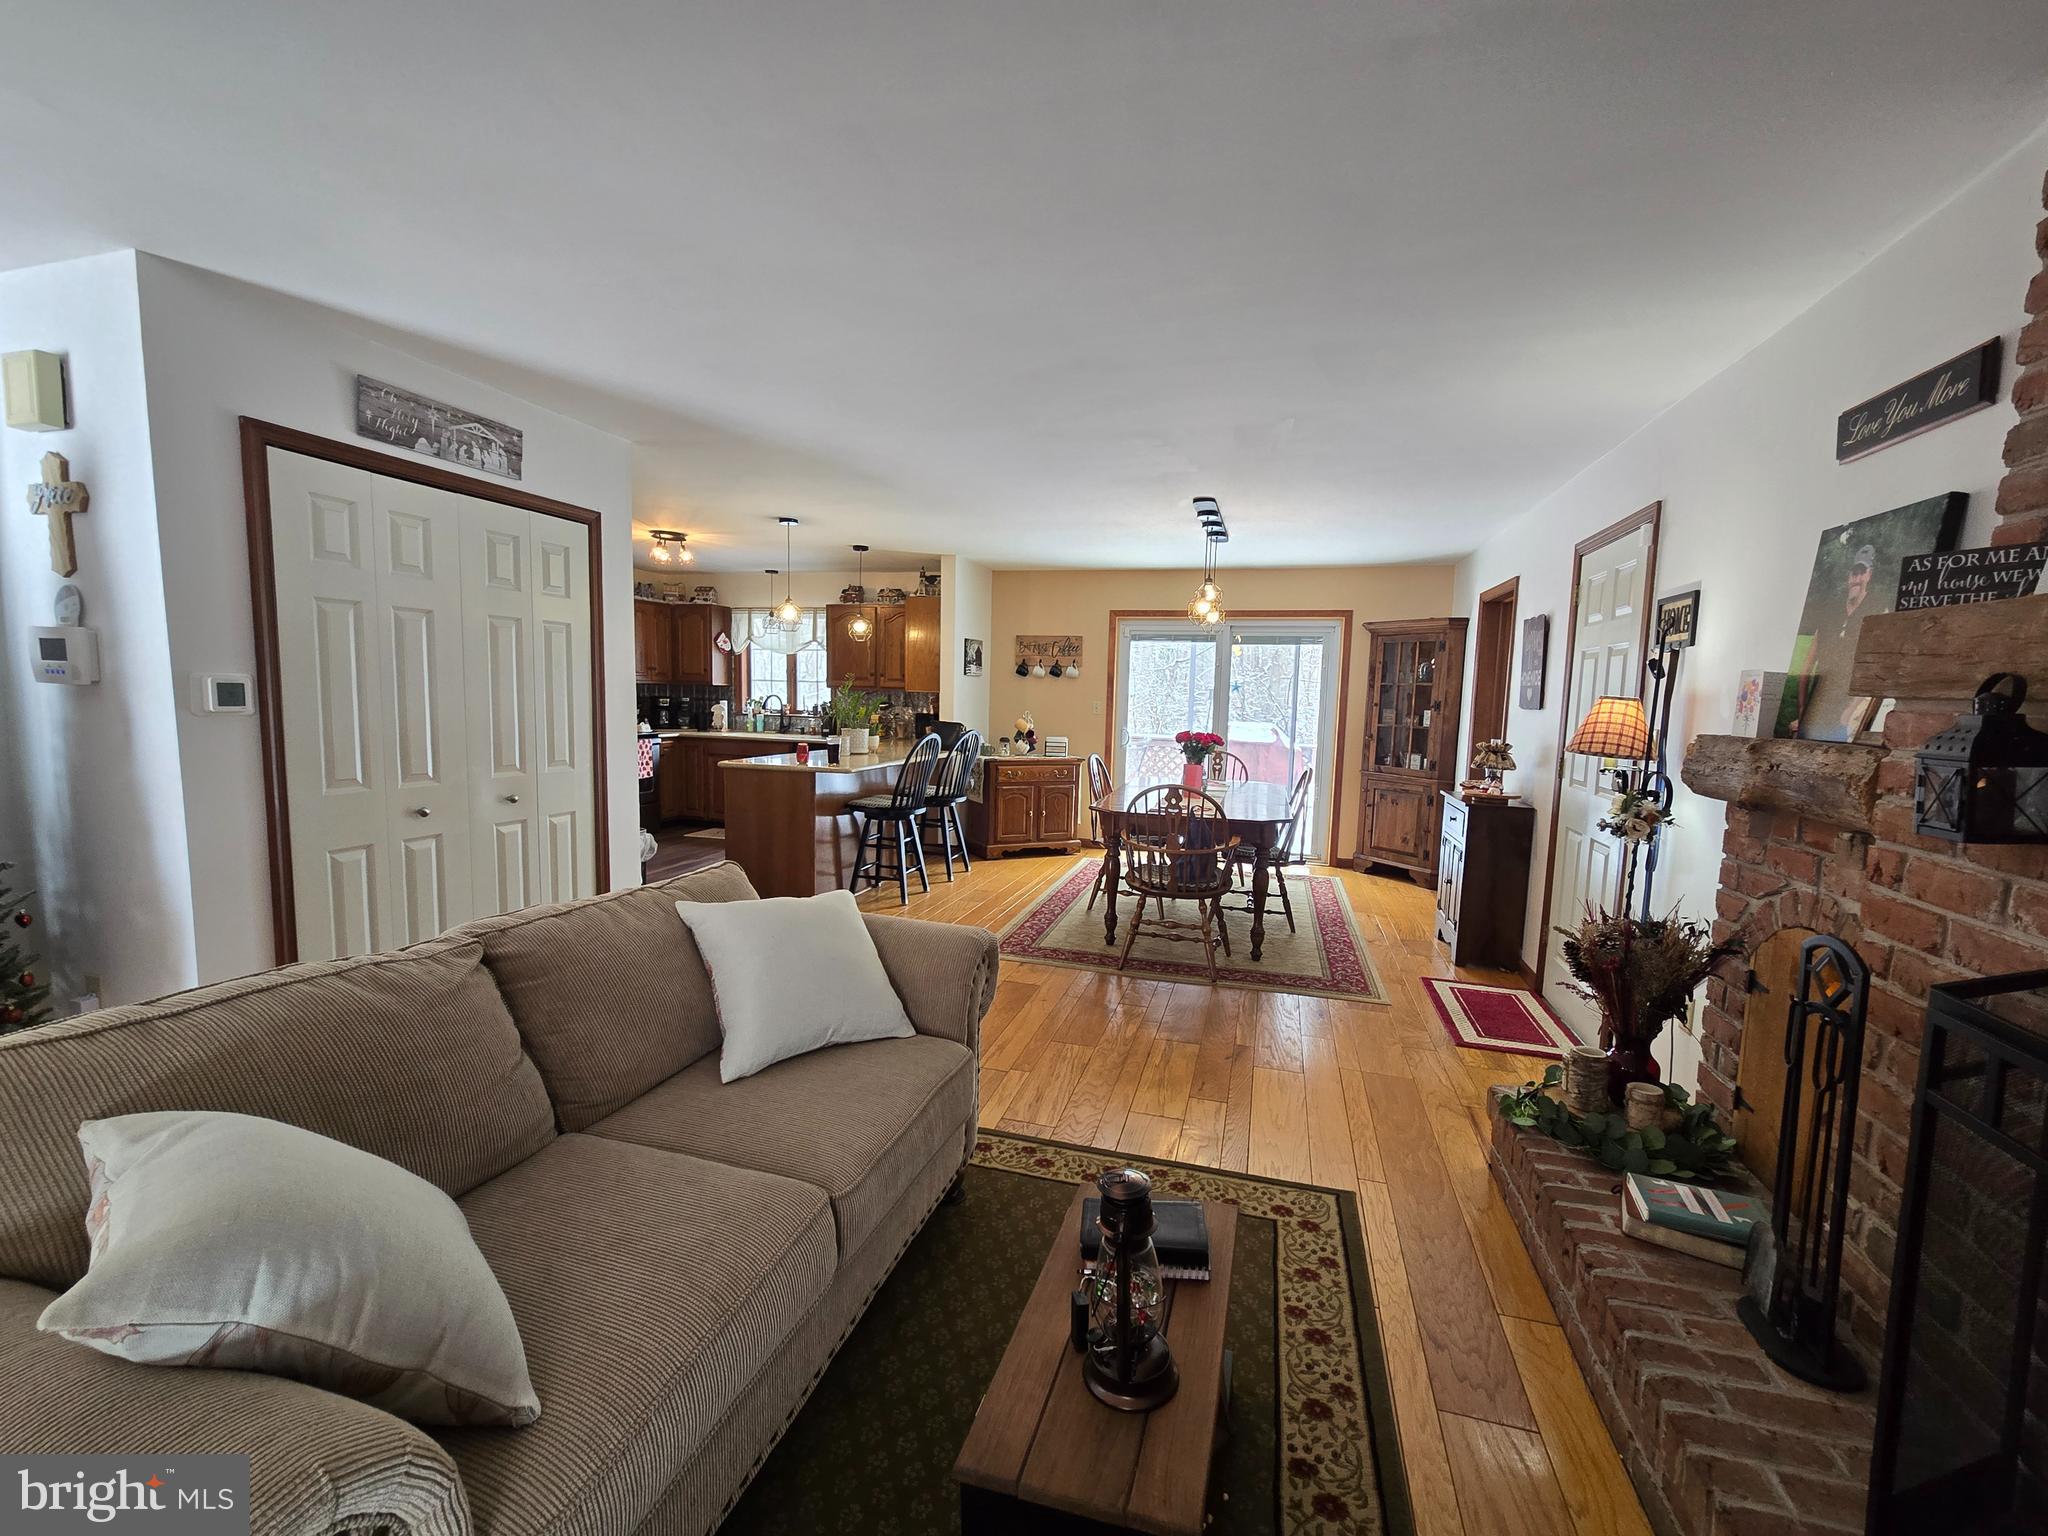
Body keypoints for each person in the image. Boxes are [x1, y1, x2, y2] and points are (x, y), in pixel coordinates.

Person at [1790, 543, 1877, 741]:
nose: (1856, 579)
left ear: (1868, 575)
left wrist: (1850, 711)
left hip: (1843, 715)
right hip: (1816, 710)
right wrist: (1803, 708)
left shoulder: (1873, 613)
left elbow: (1873, 672)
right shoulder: (1832, 614)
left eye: (1861, 573)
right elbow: (1806, 666)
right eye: (1853, 574)